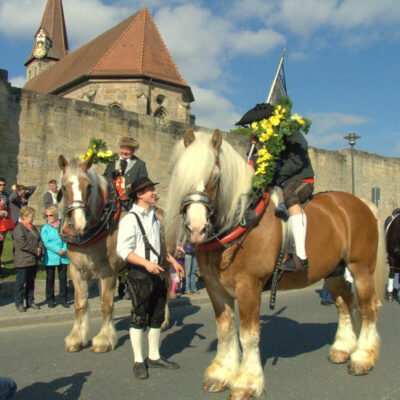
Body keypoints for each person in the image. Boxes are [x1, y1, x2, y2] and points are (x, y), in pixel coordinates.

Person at [116, 176, 184, 380]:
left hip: (159, 272)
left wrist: (172, 261)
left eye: (153, 190)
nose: (155, 193)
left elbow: (158, 247)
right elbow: (123, 250)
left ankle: (154, 356)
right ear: (139, 195)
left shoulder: (154, 217)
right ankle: (139, 360)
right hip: (139, 274)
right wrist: (146, 264)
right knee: (139, 316)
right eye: (150, 190)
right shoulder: (130, 219)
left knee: (157, 316)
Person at [273, 128, 314, 271]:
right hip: (281, 183)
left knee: (290, 196)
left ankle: (301, 256)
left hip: (301, 180)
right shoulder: (267, 139)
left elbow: (298, 159)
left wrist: (278, 174)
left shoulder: (291, 132)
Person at [104, 136, 148, 211]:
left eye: (128, 150)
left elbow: (144, 183)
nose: (124, 152)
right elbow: (105, 177)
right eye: (123, 149)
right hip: (110, 201)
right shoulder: (112, 161)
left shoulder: (140, 164)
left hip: (129, 204)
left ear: (133, 150)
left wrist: (134, 187)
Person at [13, 206, 43, 312]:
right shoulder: (19, 228)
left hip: (33, 260)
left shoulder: (33, 227)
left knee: (31, 282)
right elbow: (22, 244)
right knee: (21, 282)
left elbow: (39, 239)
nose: (33, 218)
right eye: (31, 216)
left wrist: (39, 247)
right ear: (25, 216)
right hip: (22, 260)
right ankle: (19, 303)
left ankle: (30, 301)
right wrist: (35, 250)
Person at [41, 206, 69, 308]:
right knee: (50, 279)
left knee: (63, 279)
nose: (49, 217)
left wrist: (64, 249)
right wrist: (58, 250)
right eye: (47, 216)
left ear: (55, 215)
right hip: (51, 257)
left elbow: (67, 238)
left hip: (63, 257)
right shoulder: (45, 228)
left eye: (51, 215)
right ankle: (50, 299)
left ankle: (63, 299)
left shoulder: (62, 226)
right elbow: (46, 242)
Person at [0, 177, 14, 276]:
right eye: (0, 185)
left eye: (4, 185)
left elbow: (8, 207)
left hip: (3, 224)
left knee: (1, 244)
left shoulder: (6, 195)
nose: (2, 187)